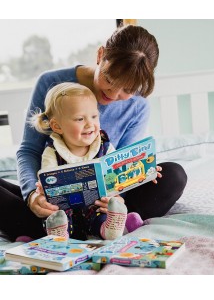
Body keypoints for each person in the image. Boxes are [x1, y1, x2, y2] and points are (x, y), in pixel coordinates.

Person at [0, 24, 187, 242]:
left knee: (173, 175)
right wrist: (32, 195)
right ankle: (56, 226)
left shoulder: (138, 106)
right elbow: (29, 150)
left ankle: (108, 222)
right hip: (54, 201)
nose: (113, 93)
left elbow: (122, 163)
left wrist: (134, 178)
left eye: (127, 90)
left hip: (102, 202)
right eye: (109, 79)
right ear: (101, 55)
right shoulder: (52, 84)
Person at [30, 82, 150, 240]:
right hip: (65, 208)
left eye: (94, 116)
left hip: (95, 204)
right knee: (55, 214)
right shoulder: (53, 150)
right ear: (57, 126)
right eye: (80, 119)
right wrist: (42, 189)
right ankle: (59, 234)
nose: (89, 124)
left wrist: (119, 194)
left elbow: (118, 171)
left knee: (101, 211)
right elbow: (47, 177)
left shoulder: (104, 146)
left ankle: (109, 229)